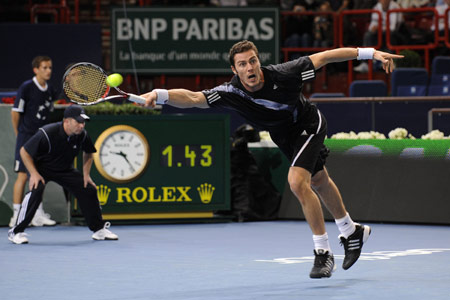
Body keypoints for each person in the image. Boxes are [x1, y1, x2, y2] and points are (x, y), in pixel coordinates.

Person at [140, 40, 403, 278]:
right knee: (319, 181)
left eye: (253, 60)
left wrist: (371, 53)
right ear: (235, 70)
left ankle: (323, 253)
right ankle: (351, 230)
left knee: (298, 182)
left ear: (258, 61)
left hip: (308, 124)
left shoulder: (285, 73)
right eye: (242, 64)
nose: (250, 67)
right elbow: (194, 98)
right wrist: (159, 95)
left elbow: (325, 57)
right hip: (284, 136)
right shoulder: (231, 92)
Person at [8, 105, 118, 244]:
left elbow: (89, 153)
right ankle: (16, 232)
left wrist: (86, 175)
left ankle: (98, 230)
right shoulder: (47, 133)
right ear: (66, 121)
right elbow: (24, 152)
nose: (81, 125)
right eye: (78, 122)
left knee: (88, 189)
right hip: (41, 169)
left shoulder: (82, 135)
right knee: (36, 189)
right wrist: (34, 174)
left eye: (83, 122)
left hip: (64, 169)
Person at [10, 56, 57, 227]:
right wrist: (19, 134)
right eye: (44, 67)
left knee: (39, 176)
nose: (48, 70)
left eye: (50, 67)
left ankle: (37, 213)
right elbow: (15, 112)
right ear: (36, 69)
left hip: (41, 139)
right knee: (23, 176)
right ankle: (16, 215)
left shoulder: (50, 89)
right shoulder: (27, 87)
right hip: (26, 137)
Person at [354, 0, 404, 72]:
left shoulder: (395, 7)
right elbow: (372, 26)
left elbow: (392, 28)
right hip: (380, 33)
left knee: (390, 34)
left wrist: (379, 28)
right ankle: (365, 63)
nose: (384, 1)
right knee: (368, 35)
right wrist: (373, 28)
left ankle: (390, 62)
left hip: (396, 34)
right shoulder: (376, 7)